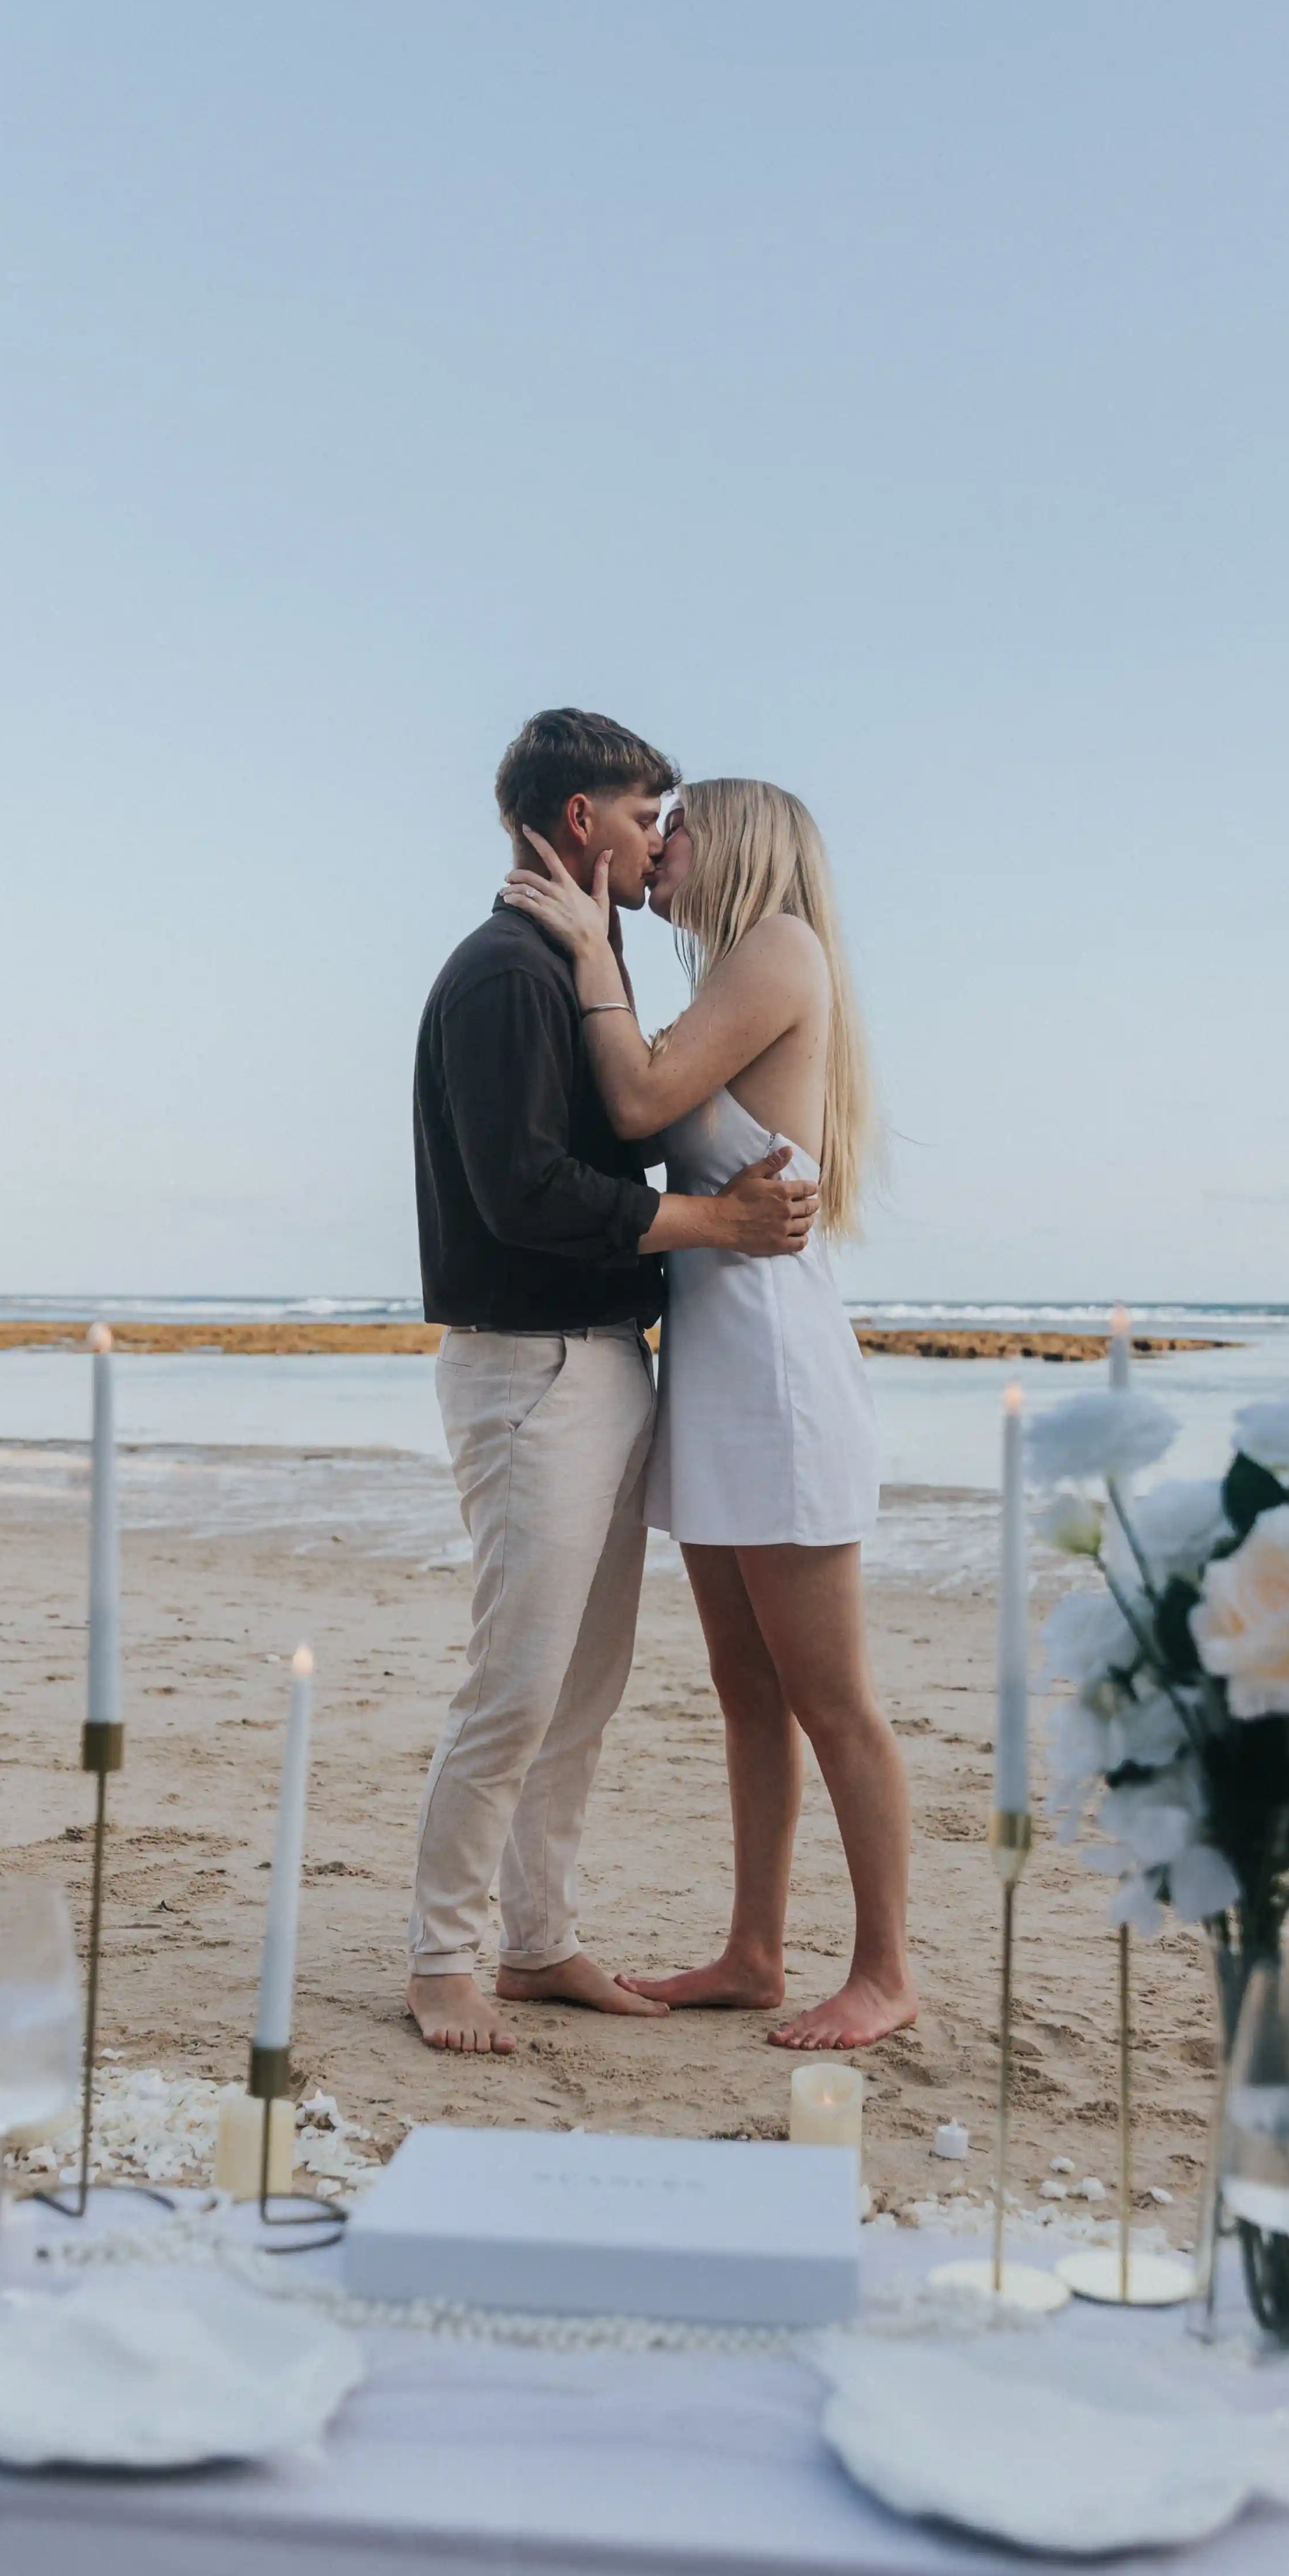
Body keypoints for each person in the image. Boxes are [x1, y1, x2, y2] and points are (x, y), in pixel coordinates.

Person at [407, 713, 819, 2057]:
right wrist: (714, 1224)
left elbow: (623, 1122)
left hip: (604, 1363)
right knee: (515, 1684)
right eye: (647, 815)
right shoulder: (503, 973)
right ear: (581, 820)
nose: (659, 841)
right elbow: (523, 1195)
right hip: (529, 1370)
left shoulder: (582, 962)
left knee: (582, 1687)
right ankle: (443, 1959)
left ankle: (536, 1941)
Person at [501, 778, 916, 2052]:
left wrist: (589, 950)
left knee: (830, 1697)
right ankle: (753, 1953)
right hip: (719, 1369)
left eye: (678, 824)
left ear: (734, 842)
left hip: (775, 1374)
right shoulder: (734, 972)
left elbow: (636, 1103)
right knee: (746, 1690)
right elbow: (634, 1103)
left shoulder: (779, 946)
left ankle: (885, 1971)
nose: (658, 841)